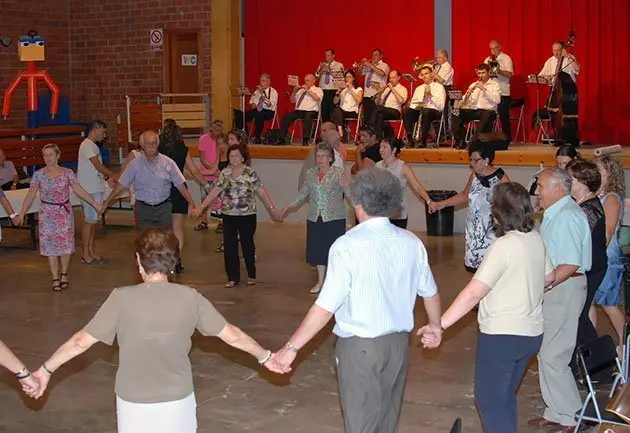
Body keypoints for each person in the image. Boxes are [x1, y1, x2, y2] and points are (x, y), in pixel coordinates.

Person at [29, 227, 288, 432]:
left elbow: (79, 342)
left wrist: (45, 370)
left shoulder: (120, 298)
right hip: (177, 401)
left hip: (132, 402)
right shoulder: (190, 298)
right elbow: (233, 335)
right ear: (174, 262)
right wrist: (266, 357)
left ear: (139, 261)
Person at [272, 168, 442, 433]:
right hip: (399, 346)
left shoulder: (347, 245)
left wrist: (291, 348)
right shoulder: (411, 242)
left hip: (360, 349)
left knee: (362, 424)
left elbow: (325, 306)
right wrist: (435, 325)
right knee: (388, 421)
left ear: (358, 203)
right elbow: (429, 292)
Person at [423, 182, 554, 433]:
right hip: (531, 334)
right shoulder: (535, 238)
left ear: (499, 212)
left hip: (503, 336)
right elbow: (548, 278)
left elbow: (473, 293)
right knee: (504, 399)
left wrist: (439, 326)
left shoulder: (503, 246)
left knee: (490, 402)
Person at [528, 168, 591, 433]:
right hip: (559, 287)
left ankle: (574, 415)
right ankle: (556, 411)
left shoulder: (566, 216)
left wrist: (546, 285)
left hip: (564, 288)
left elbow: (571, 263)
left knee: (555, 354)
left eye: (540, 186)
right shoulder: (557, 213)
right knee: (547, 352)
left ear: (557, 188)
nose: (537, 192)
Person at [15, 144, 102, 292]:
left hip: (64, 214)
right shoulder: (39, 175)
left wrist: (94, 204)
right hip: (47, 214)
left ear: (57, 155)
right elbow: (31, 194)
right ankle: (55, 277)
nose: (47, 158)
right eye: (45, 155)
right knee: (50, 247)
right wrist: (22, 212)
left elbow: (78, 189)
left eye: (50, 154)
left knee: (65, 246)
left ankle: (64, 274)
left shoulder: (67, 173)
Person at [192, 144, 281, 287]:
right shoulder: (225, 173)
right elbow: (215, 191)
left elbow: (261, 191)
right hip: (229, 214)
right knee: (229, 246)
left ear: (243, 158)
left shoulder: (250, 173)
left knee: (247, 245)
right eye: (231, 156)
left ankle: (251, 274)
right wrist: (201, 207)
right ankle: (233, 277)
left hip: (247, 214)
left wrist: (272, 209)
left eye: (236, 156)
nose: (233, 159)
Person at [430, 144, 510, 272]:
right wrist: (441, 204)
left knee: (492, 271)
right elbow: (464, 195)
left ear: (486, 160)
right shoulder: (474, 176)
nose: (472, 164)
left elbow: (511, 203)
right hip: (474, 232)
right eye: (471, 160)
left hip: (492, 233)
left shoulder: (500, 178)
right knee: (475, 272)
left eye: (476, 160)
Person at [281, 142, 347, 294]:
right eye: (318, 156)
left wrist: (362, 209)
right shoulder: (311, 173)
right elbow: (303, 194)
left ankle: (335, 283)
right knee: (318, 252)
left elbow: (349, 192)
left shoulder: (338, 173)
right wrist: (287, 207)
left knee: (334, 252)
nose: (321, 159)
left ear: (330, 158)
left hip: (334, 219)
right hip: (315, 217)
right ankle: (320, 282)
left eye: (324, 156)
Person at [103, 130, 196, 233]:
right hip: (143, 209)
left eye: (154, 143)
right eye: (148, 143)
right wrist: (107, 202)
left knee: (164, 240)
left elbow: (180, 184)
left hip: (163, 209)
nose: (151, 146)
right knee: (145, 241)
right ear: (142, 145)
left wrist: (190, 202)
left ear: (158, 144)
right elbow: (121, 184)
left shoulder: (168, 163)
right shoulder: (135, 164)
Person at [565, 159, 607, 377]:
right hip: (589, 267)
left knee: (579, 317)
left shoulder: (588, 210)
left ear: (582, 182)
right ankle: (588, 366)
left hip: (590, 270)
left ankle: (598, 368)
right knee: (578, 316)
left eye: (569, 179)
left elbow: (576, 240)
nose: (565, 183)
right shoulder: (582, 205)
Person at [158, 119, 209, 273]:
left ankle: (162, 259)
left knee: (163, 228)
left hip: (161, 189)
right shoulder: (182, 149)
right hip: (179, 189)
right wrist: (207, 185)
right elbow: (194, 171)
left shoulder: (158, 148)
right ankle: (177, 259)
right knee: (178, 228)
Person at [592, 155, 627, 348]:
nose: (596, 172)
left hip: (608, 258)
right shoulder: (598, 196)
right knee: (590, 302)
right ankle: (591, 341)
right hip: (598, 256)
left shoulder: (611, 198)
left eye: (600, 169)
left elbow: (608, 230)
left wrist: (596, 256)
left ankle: (624, 343)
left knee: (609, 304)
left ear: (610, 174)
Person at [77, 120, 117, 264]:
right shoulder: (87, 144)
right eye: (103, 132)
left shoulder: (93, 146)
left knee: (93, 222)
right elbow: (97, 165)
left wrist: (107, 178)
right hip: (89, 189)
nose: (105, 135)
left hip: (95, 187)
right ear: (96, 129)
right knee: (88, 221)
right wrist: (112, 174)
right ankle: (85, 253)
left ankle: (91, 250)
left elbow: (97, 170)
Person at [375, 137, 432, 229]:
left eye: (385, 147)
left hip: (398, 214)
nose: (381, 149)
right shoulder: (377, 166)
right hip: (380, 214)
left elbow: (417, 186)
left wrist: (429, 201)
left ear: (394, 150)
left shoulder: (403, 167)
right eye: (380, 147)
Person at [452, 64, 501, 149]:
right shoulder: (473, 84)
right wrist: (466, 96)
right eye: (479, 73)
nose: (481, 75)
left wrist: (484, 90)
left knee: (487, 115)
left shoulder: (495, 85)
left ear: (489, 72)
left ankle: (473, 142)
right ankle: (460, 140)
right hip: (474, 110)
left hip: (488, 111)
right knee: (455, 112)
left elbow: (497, 100)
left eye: (483, 73)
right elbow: (466, 101)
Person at [403, 65, 446, 148]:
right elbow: (413, 105)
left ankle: (423, 140)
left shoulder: (439, 87)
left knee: (426, 111)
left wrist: (430, 95)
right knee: (406, 110)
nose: (424, 76)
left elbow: (441, 106)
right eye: (422, 74)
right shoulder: (419, 88)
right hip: (420, 110)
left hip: (434, 111)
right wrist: (415, 105)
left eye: (426, 73)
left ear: (431, 74)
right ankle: (410, 139)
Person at [276, 74, 323, 145]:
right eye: (305, 81)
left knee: (308, 116)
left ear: (313, 81)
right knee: (286, 117)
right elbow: (292, 100)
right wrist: (294, 92)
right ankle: (282, 138)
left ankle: (305, 139)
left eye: (308, 81)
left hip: (311, 111)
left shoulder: (318, 89)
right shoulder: (301, 91)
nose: (305, 82)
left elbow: (317, 98)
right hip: (299, 111)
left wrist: (307, 90)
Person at [233, 73, 278, 143]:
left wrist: (262, 93)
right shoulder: (257, 91)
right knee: (240, 114)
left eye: (263, 81)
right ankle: (245, 135)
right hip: (257, 110)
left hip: (268, 111)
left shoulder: (273, 92)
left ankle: (257, 137)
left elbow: (269, 104)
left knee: (259, 115)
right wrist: (253, 104)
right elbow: (252, 101)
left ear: (269, 82)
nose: (261, 83)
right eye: (260, 81)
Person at [195, 120, 223, 231]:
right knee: (204, 199)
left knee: (220, 201)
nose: (217, 132)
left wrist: (216, 170)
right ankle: (204, 221)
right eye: (216, 129)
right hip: (206, 176)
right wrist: (211, 169)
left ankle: (221, 223)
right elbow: (202, 158)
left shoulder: (221, 141)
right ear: (211, 127)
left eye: (220, 130)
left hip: (217, 174)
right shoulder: (203, 139)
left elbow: (220, 157)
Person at [484, 40, 514, 142]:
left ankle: (507, 139)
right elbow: (483, 75)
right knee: (488, 115)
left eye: (495, 48)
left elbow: (510, 74)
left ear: (500, 47)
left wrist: (498, 71)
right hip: (490, 92)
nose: (493, 51)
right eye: (491, 49)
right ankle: (487, 138)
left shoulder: (506, 58)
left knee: (503, 116)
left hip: (503, 91)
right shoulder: (488, 59)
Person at [368, 69, 408, 140]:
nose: (391, 80)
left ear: (399, 78)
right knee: (380, 115)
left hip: (395, 111)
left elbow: (401, 100)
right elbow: (378, 103)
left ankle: (370, 126)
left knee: (379, 109)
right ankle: (379, 138)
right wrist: (379, 93)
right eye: (390, 77)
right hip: (383, 110)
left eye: (393, 77)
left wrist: (392, 89)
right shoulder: (386, 89)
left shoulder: (403, 89)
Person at [359, 48, 390, 125]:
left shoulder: (384, 65)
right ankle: (367, 134)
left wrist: (372, 66)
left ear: (381, 56)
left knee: (375, 118)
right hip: (366, 95)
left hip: (377, 96)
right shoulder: (369, 65)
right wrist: (361, 66)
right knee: (367, 117)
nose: (373, 57)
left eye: (376, 55)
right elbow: (360, 74)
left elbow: (382, 73)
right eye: (372, 55)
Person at [315, 48, 345, 123]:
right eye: (325, 56)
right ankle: (326, 130)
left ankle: (334, 131)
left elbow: (341, 79)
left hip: (333, 91)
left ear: (333, 55)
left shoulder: (339, 65)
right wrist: (321, 70)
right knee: (324, 112)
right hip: (323, 91)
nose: (327, 57)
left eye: (328, 55)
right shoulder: (322, 65)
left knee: (333, 112)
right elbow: (316, 77)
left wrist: (329, 70)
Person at [331, 69, 362, 137]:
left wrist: (351, 90)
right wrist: (338, 93)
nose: (347, 79)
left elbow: (359, 100)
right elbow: (334, 102)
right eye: (346, 77)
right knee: (336, 109)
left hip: (352, 111)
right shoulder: (343, 89)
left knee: (338, 112)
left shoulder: (358, 89)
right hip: (343, 111)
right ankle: (341, 134)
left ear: (353, 78)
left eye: (349, 77)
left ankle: (341, 135)